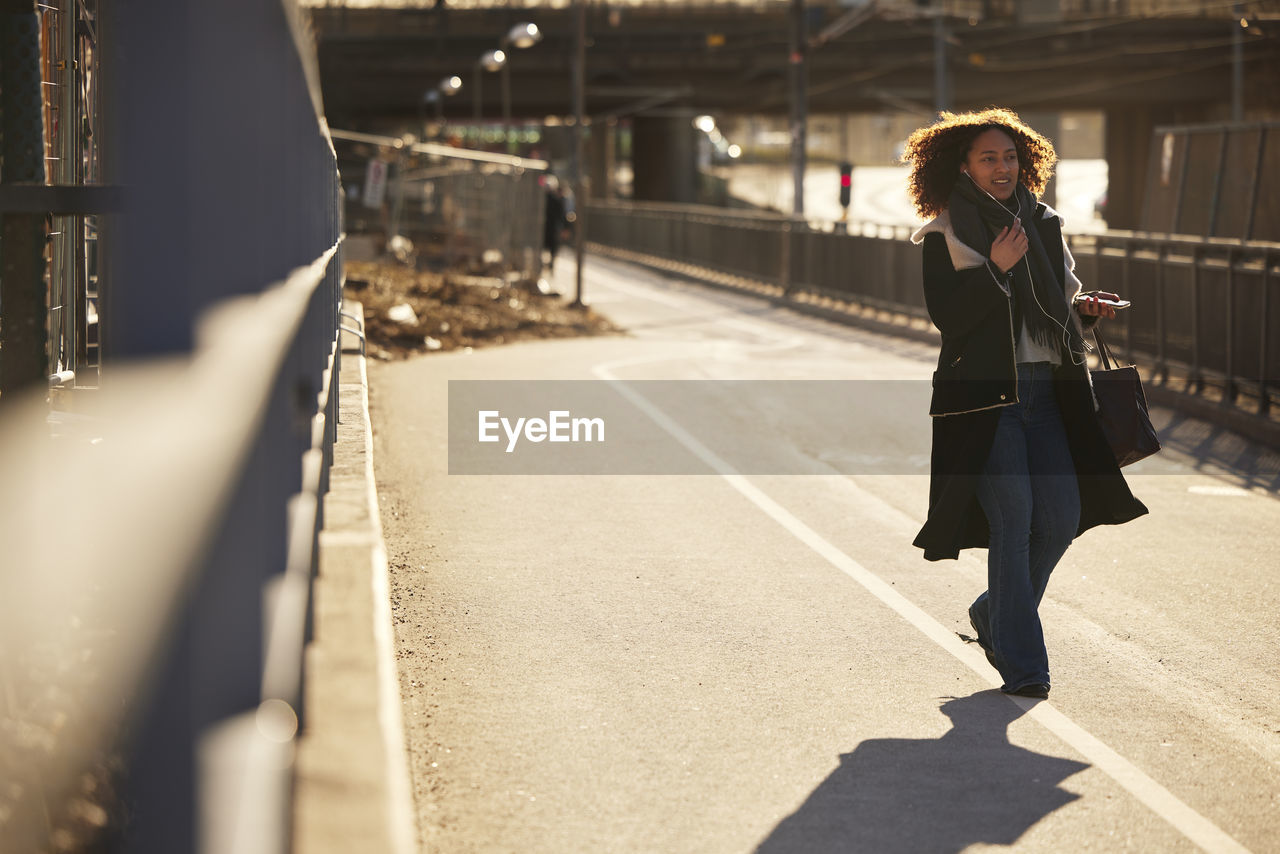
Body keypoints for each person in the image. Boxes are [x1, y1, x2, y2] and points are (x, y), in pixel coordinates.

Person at [901, 108, 1148, 699]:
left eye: (1011, 156)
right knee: (1013, 521)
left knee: (1059, 520)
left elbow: (1053, 307)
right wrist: (996, 270)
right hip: (987, 401)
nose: (1003, 167)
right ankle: (1025, 664)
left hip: (1050, 395)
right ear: (962, 166)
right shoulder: (946, 234)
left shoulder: (1044, 223)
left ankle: (994, 612)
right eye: (988, 158)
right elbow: (950, 319)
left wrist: (1084, 309)